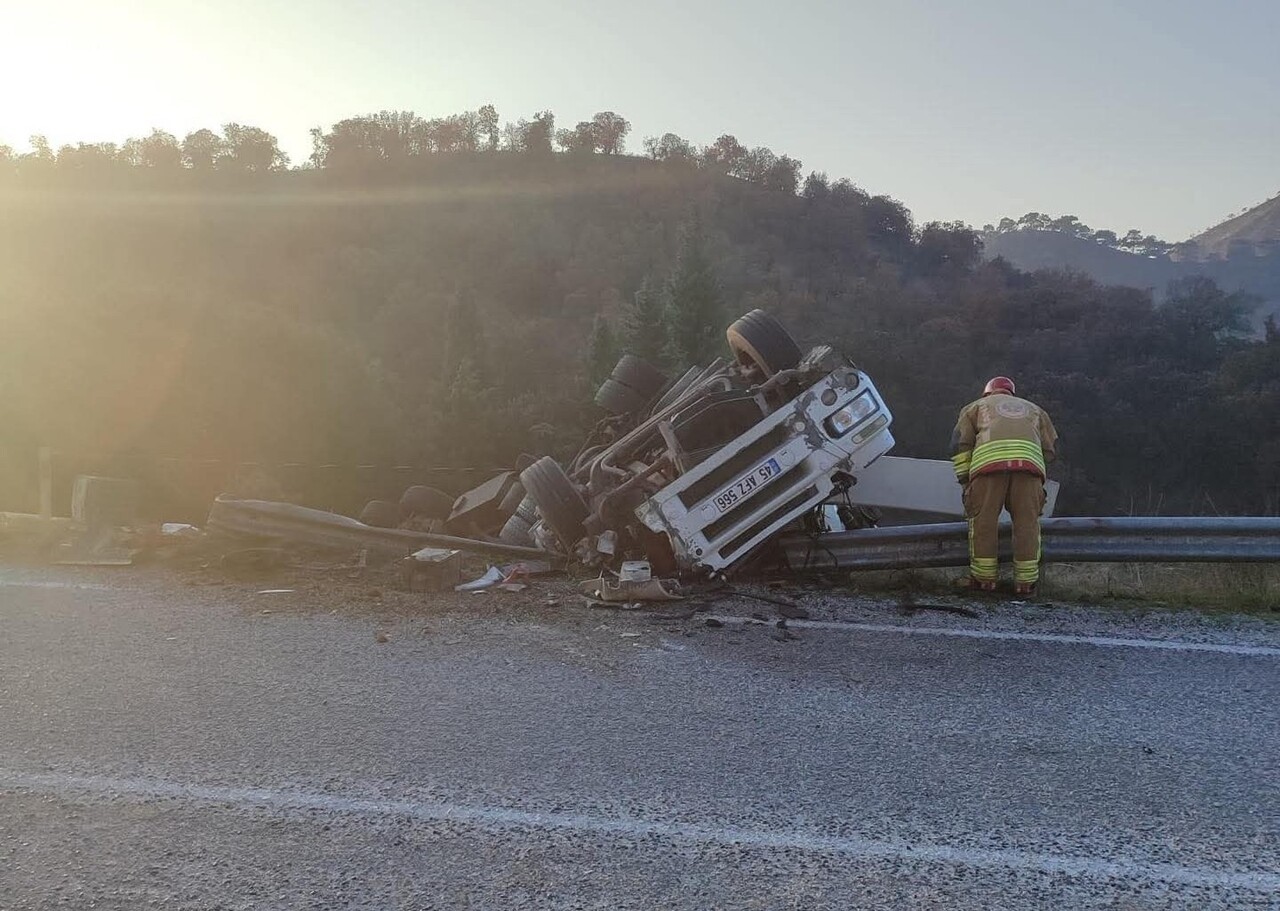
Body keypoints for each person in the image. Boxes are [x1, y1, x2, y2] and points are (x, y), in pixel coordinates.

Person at [950, 376, 1058, 595]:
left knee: (984, 523)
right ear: (1011, 394)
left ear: (987, 393)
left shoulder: (975, 407)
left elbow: (960, 445)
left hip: (988, 469)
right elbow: (1049, 449)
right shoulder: (1035, 410)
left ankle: (984, 581)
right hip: (1028, 470)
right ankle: (1025, 584)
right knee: (1027, 524)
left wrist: (964, 481)